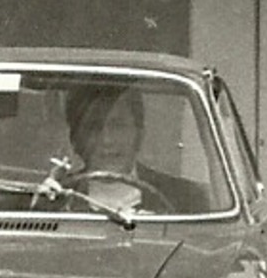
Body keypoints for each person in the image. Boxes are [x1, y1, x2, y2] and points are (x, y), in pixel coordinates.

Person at [60, 84, 205, 213]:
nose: (107, 140)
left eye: (118, 125)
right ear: (76, 139)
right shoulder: (56, 203)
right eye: (94, 127)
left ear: (139, 134)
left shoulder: (187, 199)